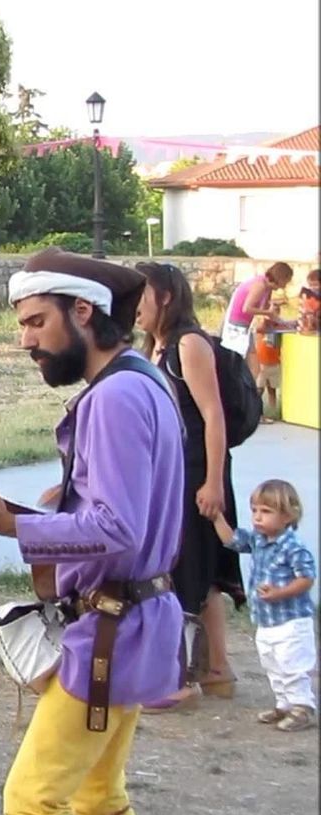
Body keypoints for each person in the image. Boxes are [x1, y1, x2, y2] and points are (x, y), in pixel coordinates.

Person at [0, 248, 184, 815]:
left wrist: (13, 527)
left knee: (31, 801)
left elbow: (115, 529)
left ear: (83, 311)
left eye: (36, 322)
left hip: (113, 629)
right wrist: (34, 516)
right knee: (97, 796)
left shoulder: (114, 398)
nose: (26, 340)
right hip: (134, 622)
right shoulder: (142, 379)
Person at [134, 262, 244, 709]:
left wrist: (213, 482)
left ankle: (179, 677)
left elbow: (213, 415)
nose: (134, 305)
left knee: (188, 571)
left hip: (197, 470)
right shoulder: (156, 348)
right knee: (202, 571)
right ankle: (216, 669)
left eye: (141, 294)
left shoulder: (189, 344)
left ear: (164, 296)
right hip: (176, 472)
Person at [212, 480, 317, 732]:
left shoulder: (294, 547)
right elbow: (232, 540)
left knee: (292, 664)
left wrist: (280, 592)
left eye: (266, 512)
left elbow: (306, 578)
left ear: (289, 515)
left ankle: (302, 707)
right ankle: (283, 704)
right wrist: (216, 517)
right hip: (266, 620)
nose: (258, 517)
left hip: (291, 621)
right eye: (255, 510)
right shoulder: (259, 540)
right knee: (272, 662)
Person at [222, 261, 294, 376]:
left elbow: (264, 307)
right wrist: (269, 313)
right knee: (252, 367)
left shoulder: (267, 287)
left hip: (244, 325)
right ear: (281, 278)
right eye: (285, 282)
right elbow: (247, 308)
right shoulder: (260, 285)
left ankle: (247, 389)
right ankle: (248, 390)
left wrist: (274, 309)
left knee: (251, 366)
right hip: (236, 326)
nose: (284, 286)